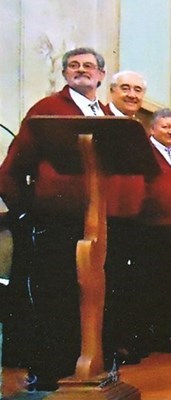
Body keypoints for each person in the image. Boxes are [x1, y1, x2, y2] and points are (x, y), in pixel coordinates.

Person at [0, 47, 110, 391]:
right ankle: (49, 372)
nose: (81, 71)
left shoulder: (104, 114)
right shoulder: (48, 110)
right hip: (54, 222)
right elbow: (10, 171)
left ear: (101, 76)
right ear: (64, 74)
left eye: (89, 66)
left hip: (95, 222)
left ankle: (83, 366)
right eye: (73, 66)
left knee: (88, 296)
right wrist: (24, 213)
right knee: (54, 296)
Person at [102, 70, 149, 365]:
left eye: (138, 90)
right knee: (110, 282)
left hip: (133, 217)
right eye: (126, 88)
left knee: (128, 283)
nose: (132, 94)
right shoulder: (103, 123)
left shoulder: (136, 128)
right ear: (112, 91)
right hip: (108, 217)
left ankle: (124, 340)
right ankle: (108, 345)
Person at [135, 108, 171, 354]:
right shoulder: (144, 154)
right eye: (166, 127)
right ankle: (146, 337)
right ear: (153, 129)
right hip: (151, 232)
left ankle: (163, 335)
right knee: (149, 287)